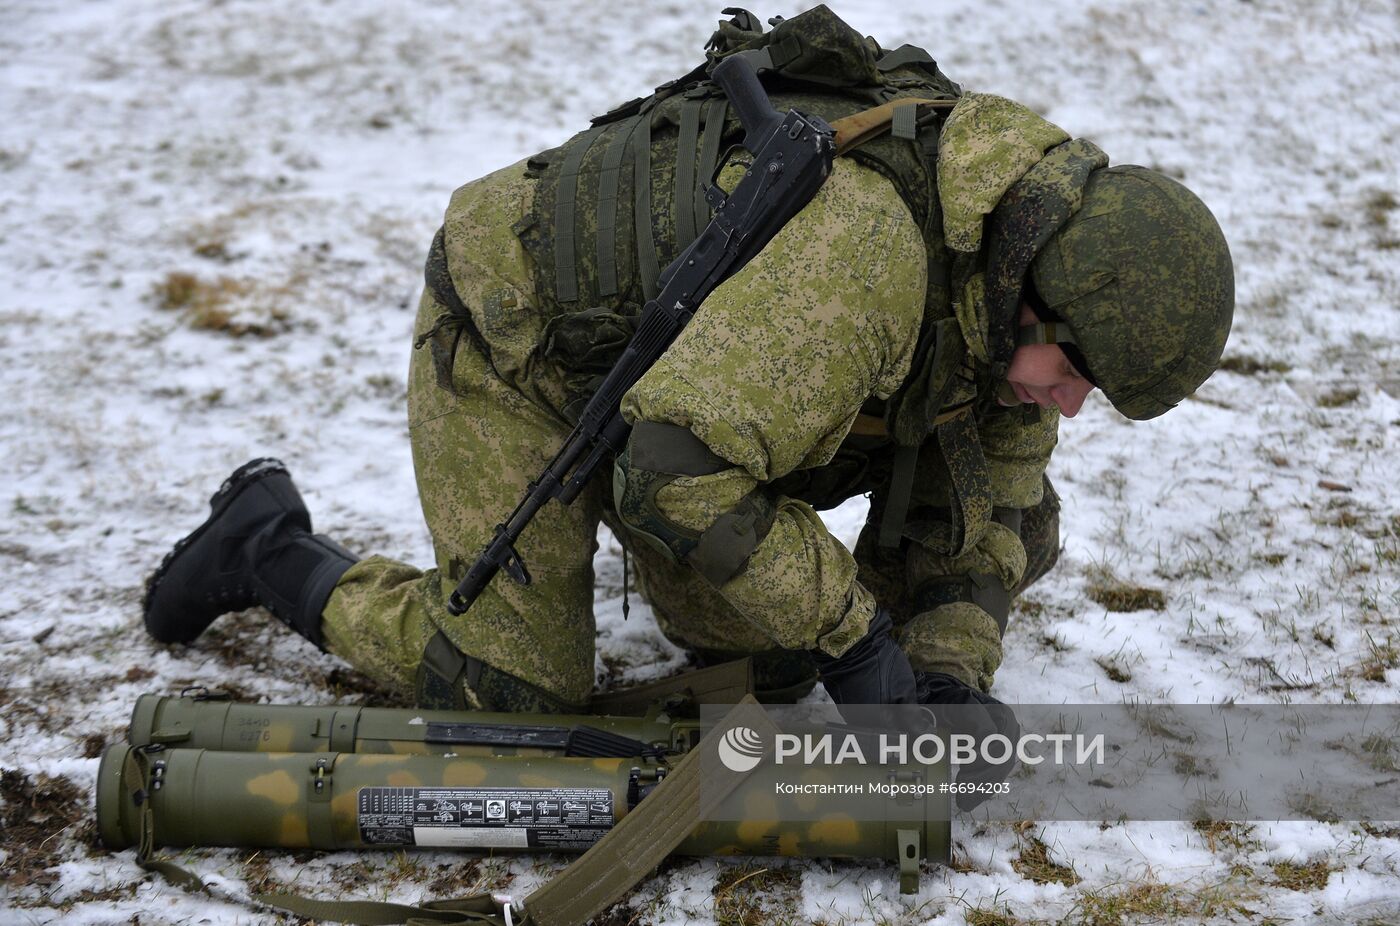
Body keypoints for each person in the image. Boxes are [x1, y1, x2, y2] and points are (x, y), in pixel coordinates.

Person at [142, 9, 1232, 730]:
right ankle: (267, 543)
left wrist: (943, 674)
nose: (1070, 400)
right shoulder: (866, 264)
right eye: (1072, 367)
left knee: (765, 666)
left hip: (698, 380)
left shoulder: (1005, 279)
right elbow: (668, 467)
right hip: (526, 338)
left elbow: (988, 502)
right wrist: (856, 635)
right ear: (1028, 286)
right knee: (513, 690)